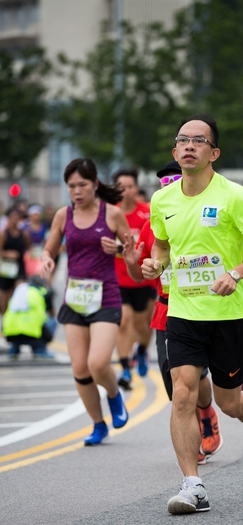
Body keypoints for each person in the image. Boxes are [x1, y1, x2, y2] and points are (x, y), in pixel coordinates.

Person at [139, 115, 243, 514]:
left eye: (199, 141)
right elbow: (162, 246)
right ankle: (193, 485)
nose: (189, 146)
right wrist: (155, 263)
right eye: (183, 139)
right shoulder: (162, 200)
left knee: (229, 403)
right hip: (183, 312)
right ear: (174, 151)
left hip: (228, 314)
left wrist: (235, 274)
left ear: (213, 153)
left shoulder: (234, 196)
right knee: (182, 394)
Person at [124, 159, 223, 465]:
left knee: (197, 378)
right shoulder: (152, 223)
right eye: (163, 182)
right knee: (174, 383)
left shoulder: (205, 214)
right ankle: (193, 434)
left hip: (200, 307)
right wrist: (132, 262)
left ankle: (206, 414)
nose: (169, 185)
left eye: (174, 179)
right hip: (166, 309)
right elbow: (141, 276)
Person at [40, 158, 130, 445]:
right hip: (75, 299)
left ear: (95, 184)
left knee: (98, 363)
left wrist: (118, 248)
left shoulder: (112, 214)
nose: (76, 191)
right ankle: (98, 424)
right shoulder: (63, 215)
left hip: (106, 297)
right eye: (71, 186)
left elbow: (134, 250)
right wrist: (46, 259)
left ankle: (114, 395)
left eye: (82, 185)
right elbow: (50, 248)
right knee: (80, 368)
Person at [112, 167, 155, 389]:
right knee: (123, 321)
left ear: (136, 188)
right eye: (121, 187)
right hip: (118, 279)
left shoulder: (148, 212)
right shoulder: (110, 213)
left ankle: (141, 350)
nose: (126, 191)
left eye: (130, 186)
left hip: (143, 278)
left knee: (143, 325)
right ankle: (125, 369)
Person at [3, 275, 57, 360]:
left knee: (18, 323)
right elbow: (52, 313)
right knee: (53, 321)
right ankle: (40, 350)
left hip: (10, 334)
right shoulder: (42, 292)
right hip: (32, 334)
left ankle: (14, 349)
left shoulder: (19, 289)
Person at [0, 206, 31, 314]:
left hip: (20, 267)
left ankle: (17, 319)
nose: (15, 219)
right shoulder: (3, 234)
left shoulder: (25, 234)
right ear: (8, 218)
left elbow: (29, 249)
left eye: (17, 217)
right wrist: (7, 254)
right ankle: (5, 320)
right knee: (5, 296)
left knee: (20, 292)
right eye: (12, 217)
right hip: (7, 268)